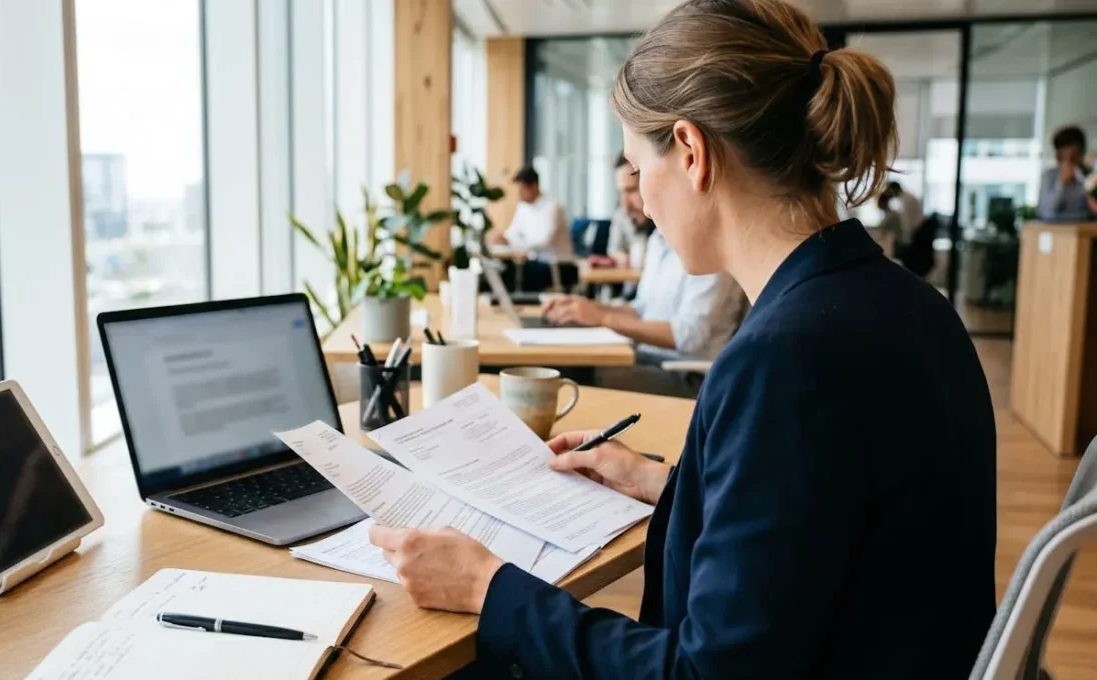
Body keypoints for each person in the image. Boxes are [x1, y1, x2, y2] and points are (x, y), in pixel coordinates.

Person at [367, 1, 997, 678]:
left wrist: (488, 589)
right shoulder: (910, 305)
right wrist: (666, 484)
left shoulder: (784, 360)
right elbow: (826, 525)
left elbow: (705, 673)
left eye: (640, 169)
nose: (642, 200)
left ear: (692, 153)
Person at [542, 158, 743, 398]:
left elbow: (689, 335)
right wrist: (582, 309)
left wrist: (603, 318)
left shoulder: (709, 247)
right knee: (560, 361)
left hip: (686, 375)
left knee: (572, 375)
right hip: (649, 357)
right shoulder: (659, 239)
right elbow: (642, 309)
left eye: (632, 191)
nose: (624, 205)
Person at [492, 167, 573, 262]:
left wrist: (510, 242)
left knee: (510, 271)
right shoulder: (523, 207)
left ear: (534, 186)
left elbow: (544, 243)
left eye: (522, 188)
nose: (519, 193)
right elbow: (513, 232)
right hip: (534, 261)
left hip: (555, 265)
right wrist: (503, 238)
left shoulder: (552, 207)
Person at [1039, 126, 1097, 222]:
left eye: (1075, 153)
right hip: (1057, 231)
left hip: (1084, 231)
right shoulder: (1049, 176)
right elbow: (1047, 211)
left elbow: (1092, 213)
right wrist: (1061, 183)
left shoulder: (1089, 176)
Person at [606, 153, 651, 268]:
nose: (625, 204)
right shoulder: (622, 215)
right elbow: (613, 249)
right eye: (621, 192)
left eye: (631, 190)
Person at [885, 181, 923, 245]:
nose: (891, 194)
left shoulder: (906, 199)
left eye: (891, 191)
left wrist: (906, 239)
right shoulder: (904, 197)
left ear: (894, 190)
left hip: (917, 229)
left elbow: (907, 220)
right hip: (915, 228)